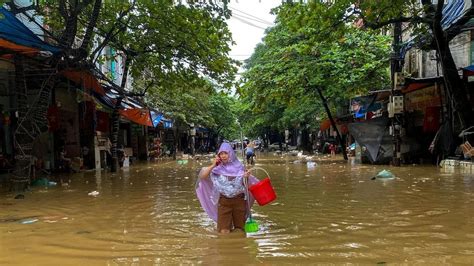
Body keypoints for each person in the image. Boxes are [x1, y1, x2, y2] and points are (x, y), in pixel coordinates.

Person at [196, 142, 259, 234]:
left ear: (231, 154)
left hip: (239, 201)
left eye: (226, 153)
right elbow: (202, 177)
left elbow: (245, 185)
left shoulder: (240, 167)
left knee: (239, 229)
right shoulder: (216, 169)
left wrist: (246, 177)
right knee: (224, 231)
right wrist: (214, 164)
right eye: (221, 154)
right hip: (224, 202)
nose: (223, 156)